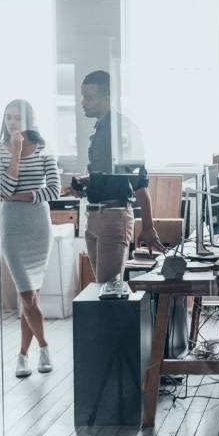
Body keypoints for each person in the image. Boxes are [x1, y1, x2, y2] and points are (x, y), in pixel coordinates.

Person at [0, 100, 60, 378]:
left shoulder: (44, 150)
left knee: (30, 297)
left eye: (17, 117)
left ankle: (22, 355)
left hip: (38, 227)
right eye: (8, 117)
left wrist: (19, 197)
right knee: (27, 294)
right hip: (13, 229)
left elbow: (53, 191)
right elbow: (4, 188)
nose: (12, 122)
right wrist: (16, 154)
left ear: (30, 120)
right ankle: (44, 347)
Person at [75, 70, 164, 286]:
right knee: (102, 288)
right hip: (94, 215)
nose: (83, 103)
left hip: (114, 217)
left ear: (107, 99)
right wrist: (84, 183)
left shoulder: (123, 130)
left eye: (89, 98)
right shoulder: (99, 129)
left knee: (109, 289)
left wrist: (148, 226)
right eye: (83, 97)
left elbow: (139, 183)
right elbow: (107, 176)